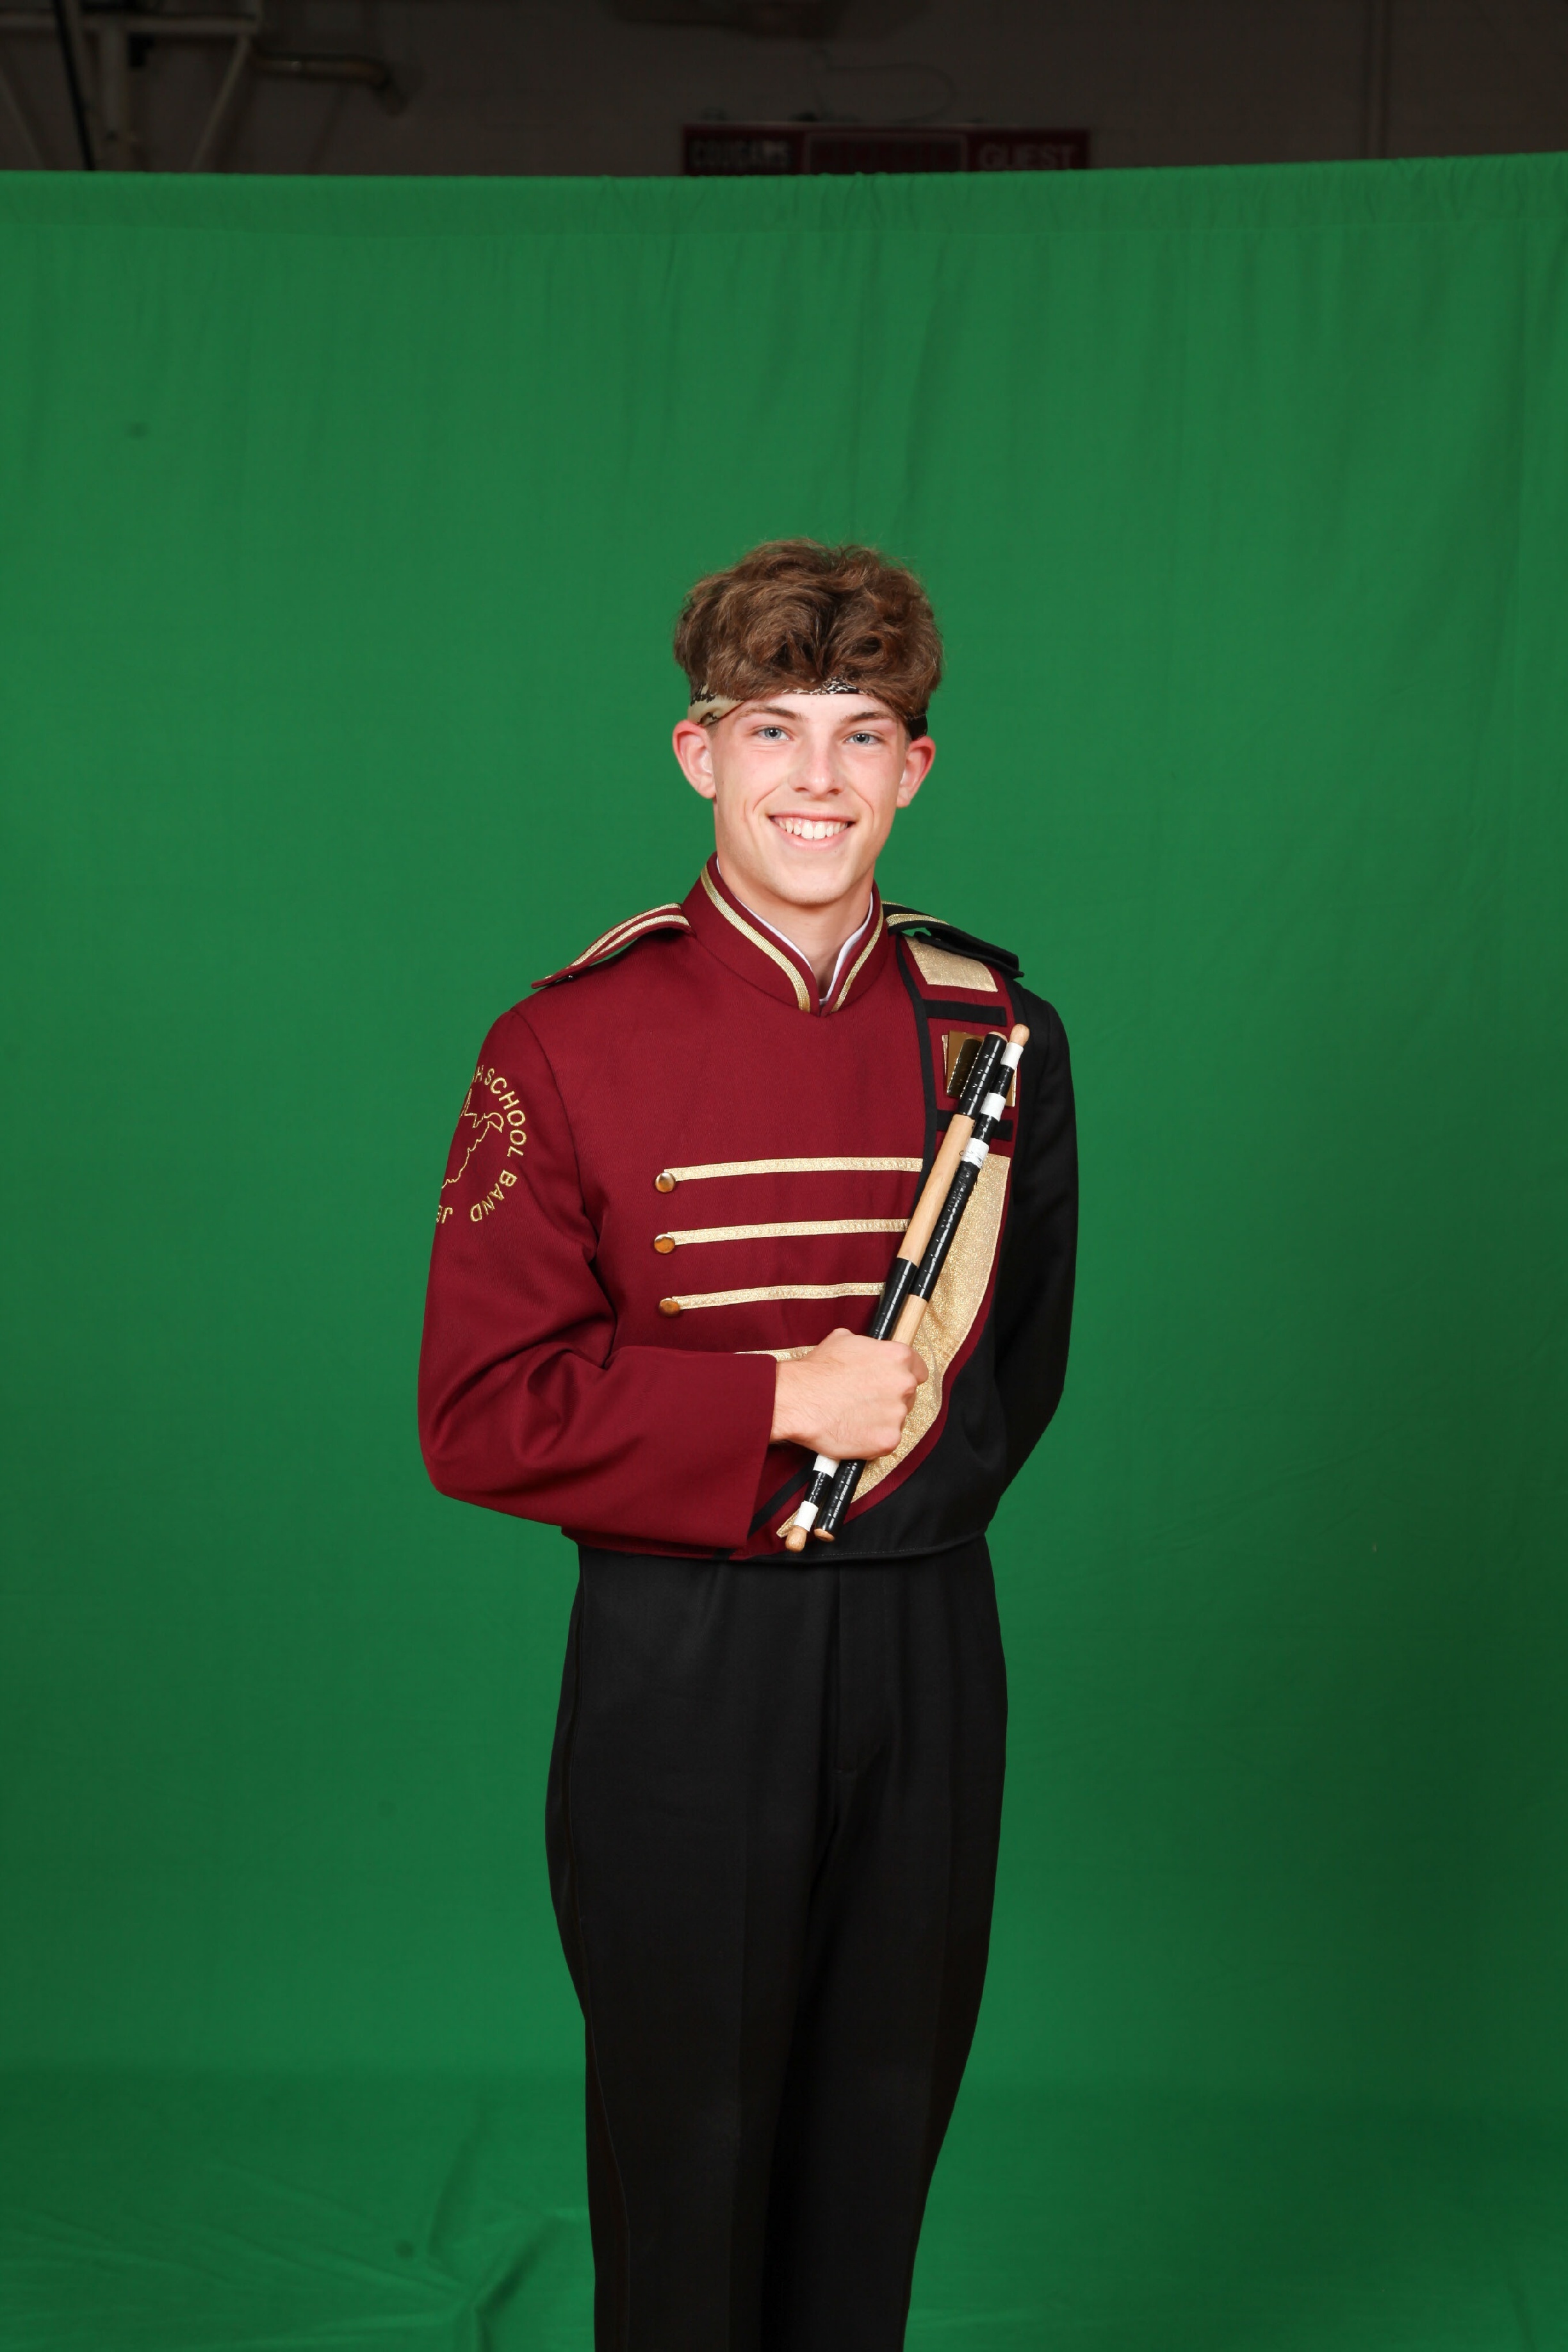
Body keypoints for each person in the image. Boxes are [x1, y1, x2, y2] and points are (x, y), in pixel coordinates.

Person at [418, 538, 1077, 2351]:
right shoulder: (565, 1042)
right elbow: (479, 1416)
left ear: (914, 770)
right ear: (698, 752)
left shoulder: (997, 1032)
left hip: (928, 1638)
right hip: (684, 1659)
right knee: (689, 2151)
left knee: (880, 2134)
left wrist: (894, 1514)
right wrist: (779, 1399)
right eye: (773, 729)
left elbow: (1015, 1368)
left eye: (861, 735)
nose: (817, 778)